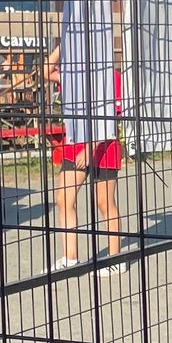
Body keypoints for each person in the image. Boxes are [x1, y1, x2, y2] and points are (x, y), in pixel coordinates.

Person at [45, 31, 124, 274]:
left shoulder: (112, 78)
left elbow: (110, 118)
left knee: (104, 202)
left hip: (104, 146)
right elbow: (47, 71)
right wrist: (62, 44)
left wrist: (91, 147)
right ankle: (70, 257)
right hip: (75, 143)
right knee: (64, 199)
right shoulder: (75, 76)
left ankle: (115, 258)